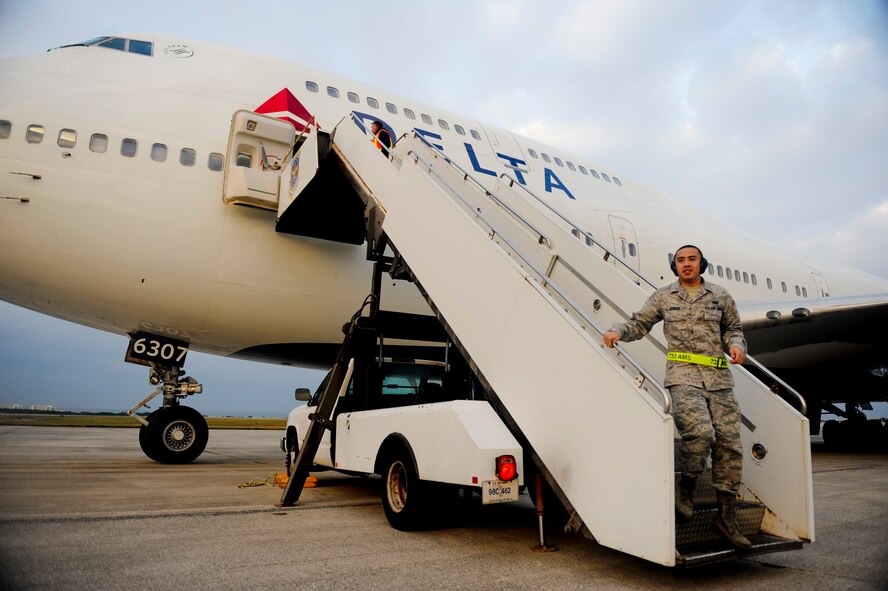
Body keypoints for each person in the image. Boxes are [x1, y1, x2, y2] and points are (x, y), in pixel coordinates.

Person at [602, 244, 751, 549]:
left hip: (720, 379)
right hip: (683, 377)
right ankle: (686, 488)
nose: (685, 264)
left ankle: (726, 518)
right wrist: (617, 330)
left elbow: (733, 329)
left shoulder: (720, 296)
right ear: (675, 266)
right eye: (680, 260)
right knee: (699, 435)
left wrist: (737, 345)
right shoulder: (663, 296)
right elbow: (639, 322)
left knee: (730, 445)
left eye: (691, 259)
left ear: (701, 264)